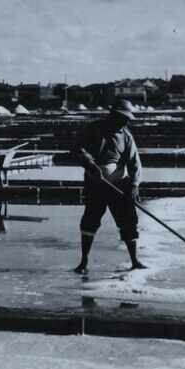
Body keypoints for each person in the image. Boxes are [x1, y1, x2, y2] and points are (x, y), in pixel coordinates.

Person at [69, 98, 145, 273]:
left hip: (119, 185)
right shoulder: (93, 129)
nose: (126, 121)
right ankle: (84, 262)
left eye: (128, 119)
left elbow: (135, 163)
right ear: (114, 115)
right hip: (95, 185)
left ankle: (135, 260)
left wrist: (134, 185)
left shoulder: (126, 136)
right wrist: (90, 164)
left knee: (128, 221)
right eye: (123, 117)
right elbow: (76, 149)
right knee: (90, 221)